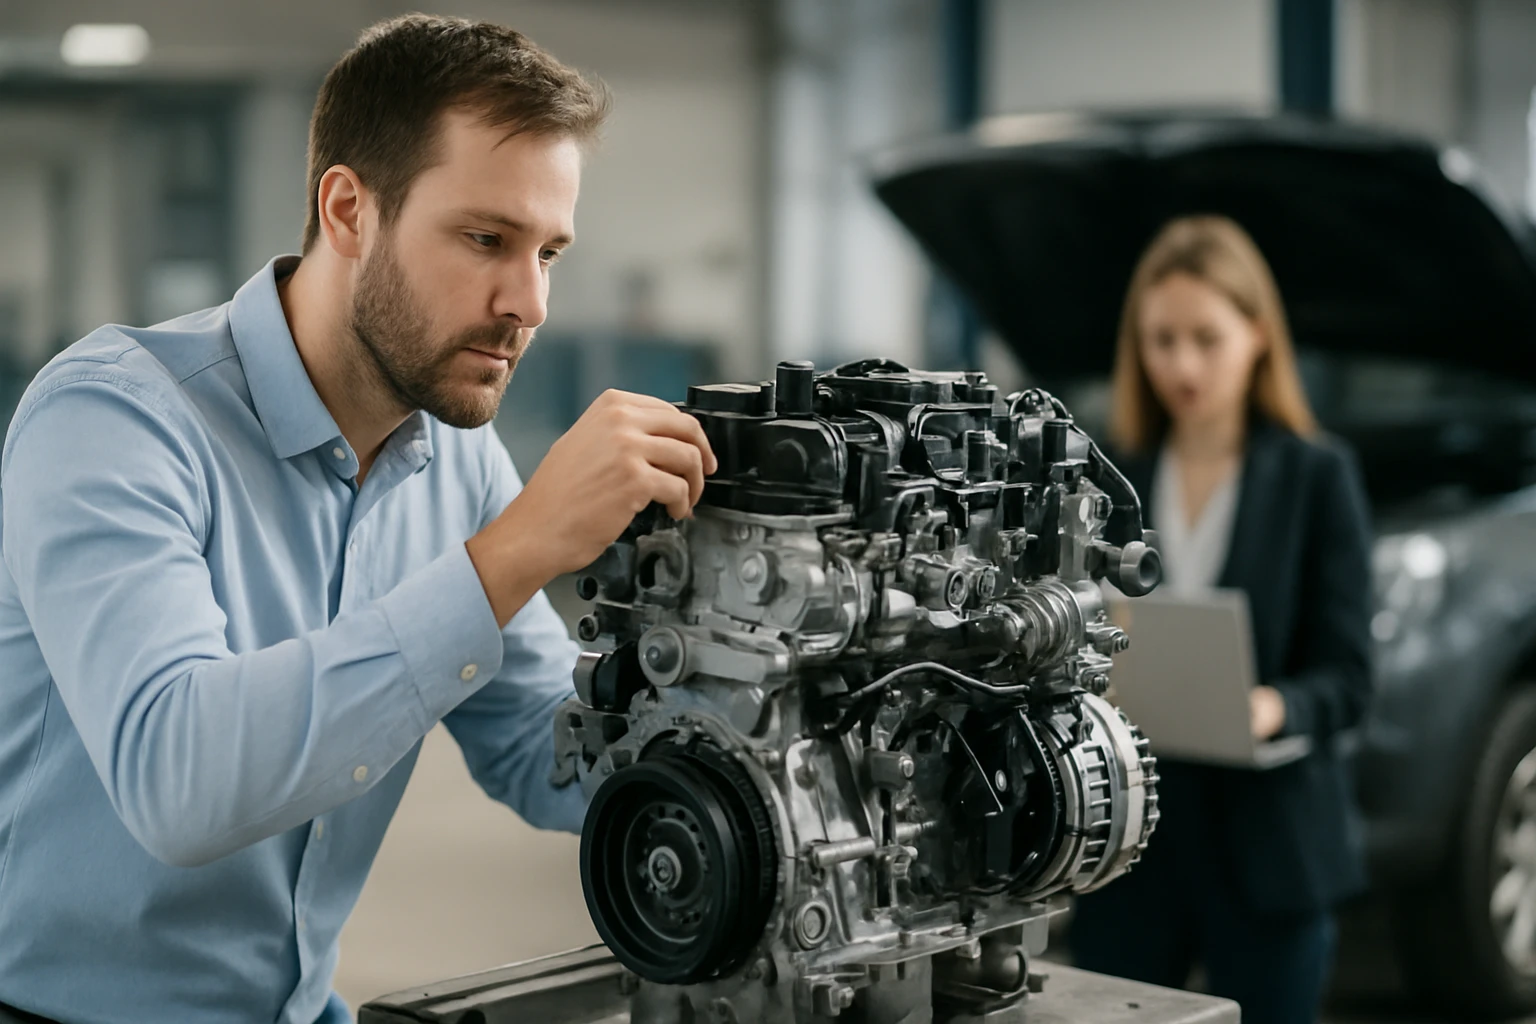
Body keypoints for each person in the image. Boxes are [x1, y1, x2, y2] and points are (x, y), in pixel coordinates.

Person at [0, 16, 718, 1024]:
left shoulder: (451, 451)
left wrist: (741, 734)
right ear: (349, 209)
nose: (531, 300)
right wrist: (517, 550)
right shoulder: (113, 417)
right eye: (486, 239)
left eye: (549, 250)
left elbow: (533, 742)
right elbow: (180, 777)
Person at [1069, 215, 1374, 1024]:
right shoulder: (1113, 474)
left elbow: (1348, 677)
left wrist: (1270, 707)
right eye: (1161, 340)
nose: (1182, 364)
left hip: (1271, 849)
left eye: (1206, 337)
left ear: (1259, 334)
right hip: (1134, 842)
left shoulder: (1318, 476)